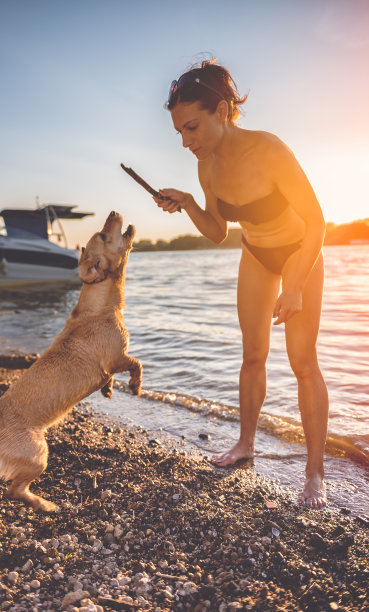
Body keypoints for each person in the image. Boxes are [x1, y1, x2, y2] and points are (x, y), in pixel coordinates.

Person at [153, 59, 329, 509]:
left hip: (298, 254)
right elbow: (216, 231)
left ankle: (314, 473)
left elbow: (316, 221)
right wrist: (190, 202)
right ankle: (245, 445)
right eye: (181, 133)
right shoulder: (206, 168)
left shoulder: (270, 150)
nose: (187, 141)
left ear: (223, 111)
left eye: (192, 127)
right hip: (255, 255)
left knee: (303, 362)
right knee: (253, 355)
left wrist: (295, 285)